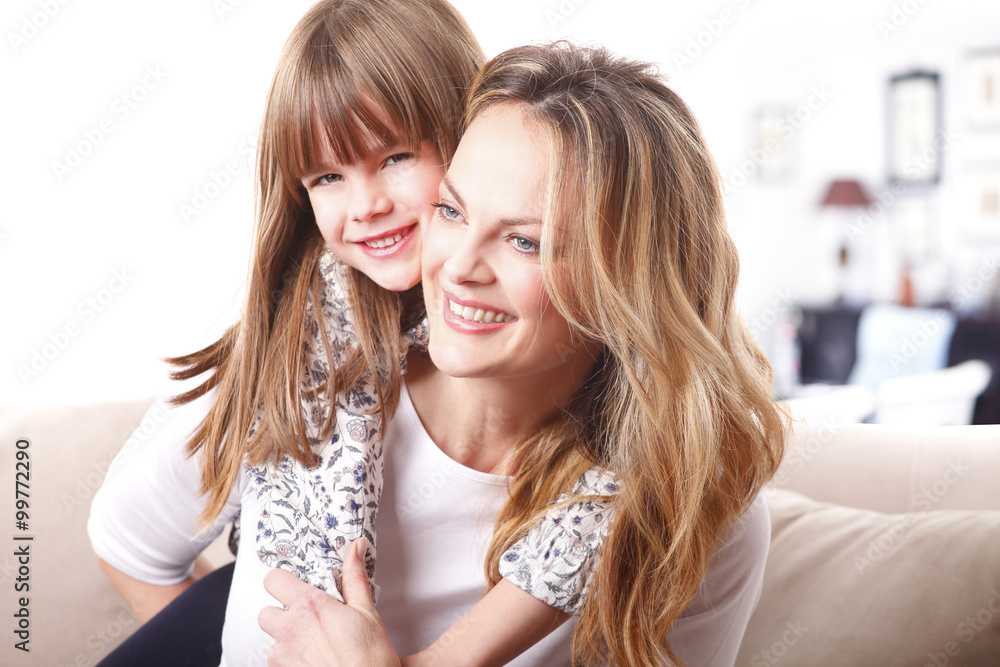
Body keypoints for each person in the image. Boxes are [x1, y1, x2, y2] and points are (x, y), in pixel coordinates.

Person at [89, 2, 616, 666]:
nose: (366, 206)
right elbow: (129, 538)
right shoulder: (290, 355)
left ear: (468, 136)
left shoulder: (589, 421)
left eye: (396, 156)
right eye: (329, 176)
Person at [259, 42, 788, 666]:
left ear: (628, 283)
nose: (456, 268)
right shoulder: (304, 376)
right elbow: (131, 544)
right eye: (451, 211)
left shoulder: (691, 516)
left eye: (524, 242)